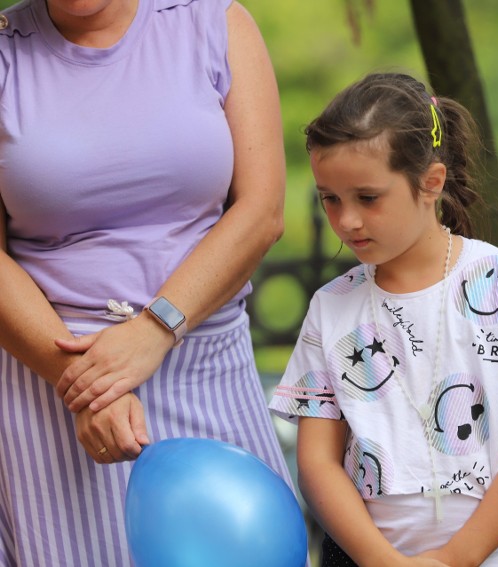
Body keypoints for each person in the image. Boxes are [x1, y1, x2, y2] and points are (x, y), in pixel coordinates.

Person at [0, 0, 297, 565]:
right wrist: (83, 384)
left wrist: (156, 328)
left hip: (204, 358)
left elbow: (262, 212)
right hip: (53, 377)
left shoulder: (214, 21)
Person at [269, 72, 498, 567]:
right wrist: (382, 561)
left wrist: (456, 558)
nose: (346, 219)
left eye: (367, 197)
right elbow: (316, 460)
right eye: (330, 198)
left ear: (430, 182)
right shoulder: (331, 307)